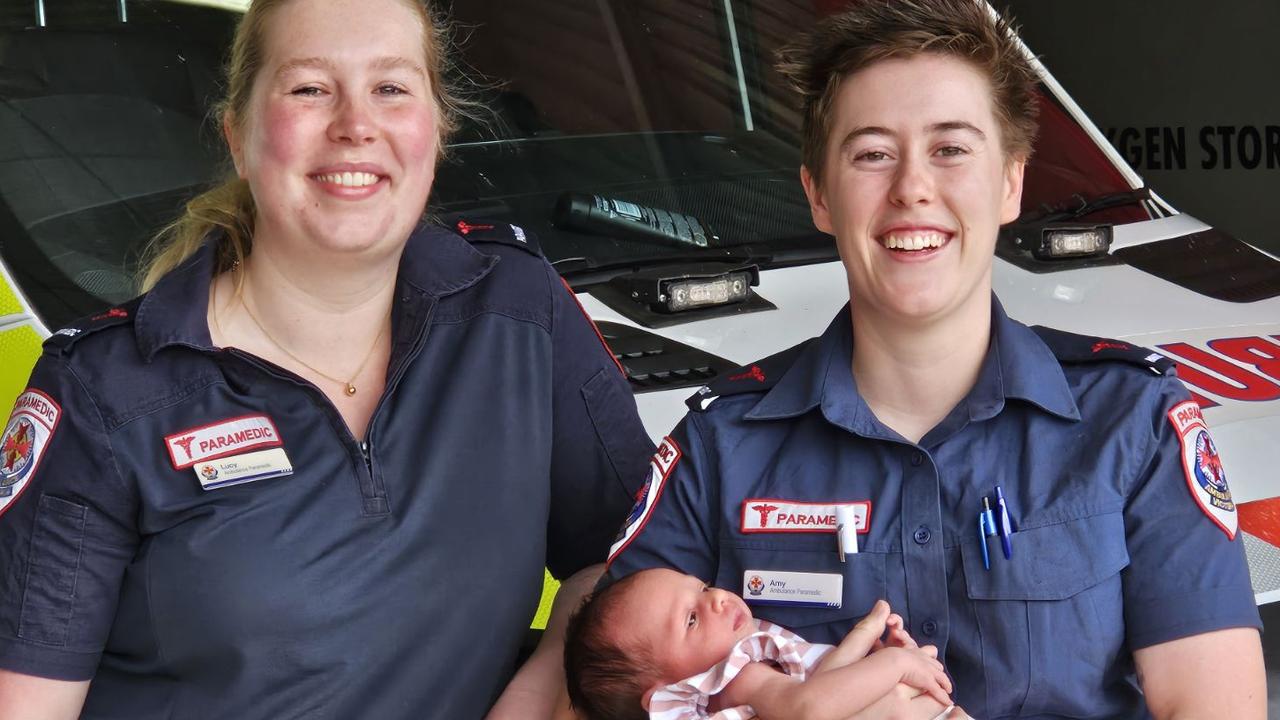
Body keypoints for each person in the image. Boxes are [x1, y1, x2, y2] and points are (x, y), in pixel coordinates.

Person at [603, 1, 1266, 718]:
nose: (912, 188)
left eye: (951, 149)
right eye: (872, 153)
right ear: (819, 195)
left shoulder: (1133, 421)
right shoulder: (718, 448)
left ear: (1011, 181)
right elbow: (616, 688)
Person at [0, 0, 651, 718]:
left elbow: (623, 561)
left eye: (391, 88)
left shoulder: (517, 309)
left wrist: (526, 702)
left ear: (437, 130)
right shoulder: (104, 390)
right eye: (309, 88)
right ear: (238, 137)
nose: (355, 125)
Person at [563, 568, 957, 720]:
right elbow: (808, 708)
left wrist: (876, 655)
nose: (717, 598)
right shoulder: (736, 680)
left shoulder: (751, 659)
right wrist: (894, 667)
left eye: (702, 588)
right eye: (692, 620)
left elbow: (827, 684)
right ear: (668, 691)